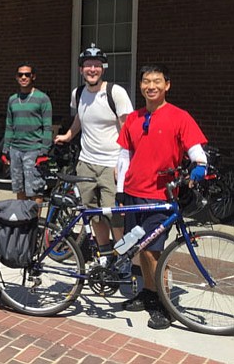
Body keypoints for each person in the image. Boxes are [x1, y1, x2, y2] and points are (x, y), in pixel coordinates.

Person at [116, 64, 207, 330]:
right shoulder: (134, 118)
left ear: (167, 85)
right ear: (141, 85)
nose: (151, 86)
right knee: (139, 249)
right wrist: (121, 191)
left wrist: (198, 169)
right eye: (146, 81)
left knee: (156, 253)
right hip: (133, 192)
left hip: (161, 196)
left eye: (157, 81)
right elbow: (123, 157)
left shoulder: (180, 117)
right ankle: (147, 293)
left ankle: (164, 305)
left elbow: (197, 153)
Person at [55, 45, 134, 266]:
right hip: (86, 164)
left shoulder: (115, 93)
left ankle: (124, 259)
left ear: (103, 68)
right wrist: (68, 136)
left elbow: (127, 129)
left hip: (111, 165)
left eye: (97, 65)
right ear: (81, 69)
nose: (92, 69)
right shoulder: (78, 93)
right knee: (93, 214)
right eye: (88, 65)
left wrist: (124, 163)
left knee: (115, 216)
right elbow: (81, 118)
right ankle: (105, 255)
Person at [3, 63, 52, 204]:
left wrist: (44, 151)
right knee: (20, 188)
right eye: (20, 75)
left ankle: (34, 224)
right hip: (15, 150)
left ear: (33, 77)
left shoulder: (42, 99)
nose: (23, 77)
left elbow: (47, 127)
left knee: (35, 189)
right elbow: (9, 125)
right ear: (16, 77)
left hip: (34, 150)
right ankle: (23, 221)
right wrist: (5, 149)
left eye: (27, 74)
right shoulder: (12, 99)